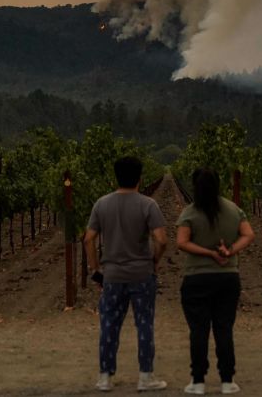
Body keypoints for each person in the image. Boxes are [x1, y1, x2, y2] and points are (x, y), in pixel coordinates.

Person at [84, 156, 169, 392]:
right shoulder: (148, 205)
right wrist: (153, 261)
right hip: (142, 274)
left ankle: (104, 377)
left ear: (116, 176)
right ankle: (145, 376)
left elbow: (88, 238)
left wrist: (96, 270)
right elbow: (161, 239)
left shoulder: (101, 204)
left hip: (112, 276)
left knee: (109, 324)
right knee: (144, 325)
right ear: (140, 178)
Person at [176, 168, 256, 395]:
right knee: (224, 329)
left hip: (196, 279)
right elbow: (249, 235)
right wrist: (229, 251)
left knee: (198, 331)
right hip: (227, 278)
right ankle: (227, 381)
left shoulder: (190, 212)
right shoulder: (233, 209)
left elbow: (181, 242)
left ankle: (198, 381)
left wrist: (207, 253)